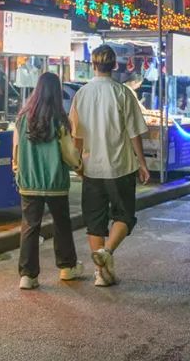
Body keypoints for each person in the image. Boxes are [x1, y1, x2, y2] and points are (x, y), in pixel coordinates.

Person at [69, 44, 150, 287]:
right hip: (121, 166)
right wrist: (142, 163)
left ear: (93, 65)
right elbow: (135, 133)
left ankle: (99, 273)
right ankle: (107, 252)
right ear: (115, 65)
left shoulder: (82, 94)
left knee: (95, 220)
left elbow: (77, 135)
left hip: (91, 166)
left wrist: (77, 161)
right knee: (124, 215)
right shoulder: (123, 93)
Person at [13, 72, 82, 290]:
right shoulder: (60, 120)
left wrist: (17, 169)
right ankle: (67, 267)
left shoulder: (22, 119)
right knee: (62, 225)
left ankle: (27, 275)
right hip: (55, 183)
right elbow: (69, 154)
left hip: (29, 181)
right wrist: (79, 166)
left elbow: (16, 150)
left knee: (30, 227)